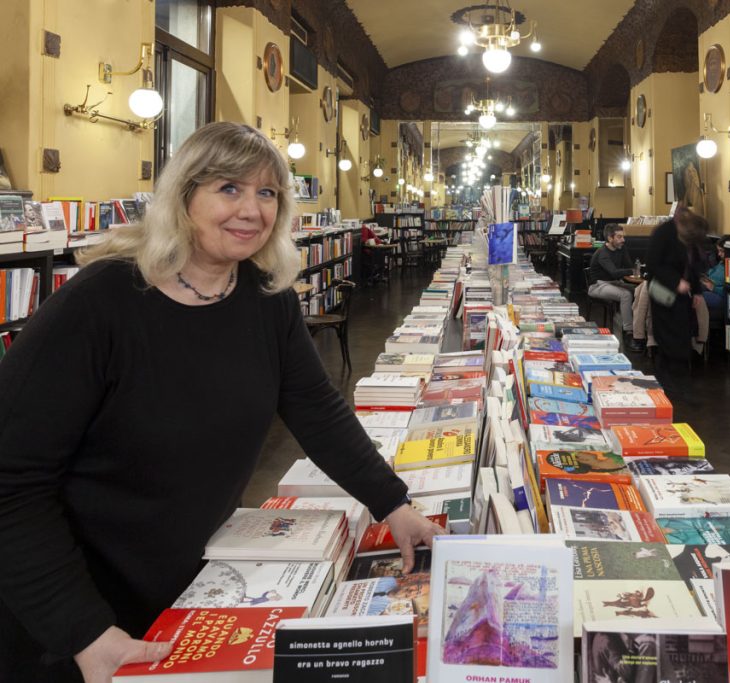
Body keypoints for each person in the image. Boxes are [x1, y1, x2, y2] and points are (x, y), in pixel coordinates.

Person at [0, 122, 443, 683]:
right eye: (229, 188)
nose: (252, 210)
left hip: (190, 585)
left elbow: (316, 408)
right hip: (76, 611)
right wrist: (82, 629)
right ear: (183, 196)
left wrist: (393, 504)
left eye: (267, 192)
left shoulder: (263, 296)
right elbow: (11, 483)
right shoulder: (99, 304)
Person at [646, 206, 709, 390]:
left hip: (683, 294)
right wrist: (675, 282)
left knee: (682, 334)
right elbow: (653, 263)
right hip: (662, 292)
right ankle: (666, 382)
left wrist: (697, 291)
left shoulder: (691, 236)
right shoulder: (663, 233)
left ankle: (678, 382)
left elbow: (693, 265)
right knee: (666, 336)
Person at [588, 224, 643, 352]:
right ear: (610, 238)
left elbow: (628, 266)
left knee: (639, 291)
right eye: (619, 237)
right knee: (626, 295)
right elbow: (614, 272)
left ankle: (631, 324)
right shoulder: (602, 253)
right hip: (598, 285)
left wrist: (633, 269)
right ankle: (628, 333)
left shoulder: (621, 249)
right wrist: (634, 269)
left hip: (615, 283)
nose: (623, 240)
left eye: (623, 236)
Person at [699, 234, 730, 314]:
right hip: (709, 287)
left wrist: (713, 288)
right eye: (718, 251)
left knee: (698, 296)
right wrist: (705, 277)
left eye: (722, 251)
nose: (719, 254)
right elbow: (713, 272)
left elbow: (729, 291)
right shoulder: (722, 263)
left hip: (719, 295)